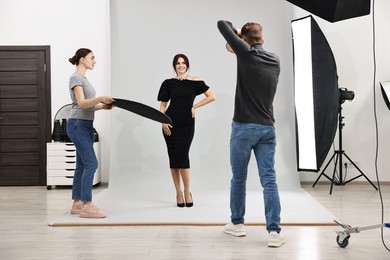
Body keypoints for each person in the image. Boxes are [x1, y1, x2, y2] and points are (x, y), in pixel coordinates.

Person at [217, 20, 285, 247]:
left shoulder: (245, 54)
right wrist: (242, 40)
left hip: (243, 127)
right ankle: (274, 232)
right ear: (262, 38)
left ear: (244, 40)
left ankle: (237, 224)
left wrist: (237, 35)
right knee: (270, 180)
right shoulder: (275, 60)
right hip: (268, 128)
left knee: (239, 179)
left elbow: (221, 24)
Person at [158, 54, 215, 208]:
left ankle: (187, 191)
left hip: (187, 124)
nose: (181, 65)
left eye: (183, 63)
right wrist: (162, 120)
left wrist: (195, 106)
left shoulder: (195, 81)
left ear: (187, 65)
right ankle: (178, 192)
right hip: (170, 123)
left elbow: (211, 96)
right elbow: (163, 105)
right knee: (174, 159)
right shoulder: (168, 83)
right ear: (174, 66)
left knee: (183, 157)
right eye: (178, 63)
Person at [67, 48, 113, 218]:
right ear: (82, 59)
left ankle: (77, 203)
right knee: (91, 163)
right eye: (92, 58)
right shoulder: (75, 78)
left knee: (82, 165)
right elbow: (81, 103)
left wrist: (103, 106)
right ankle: (87, 205)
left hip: (85, 125)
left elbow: (89, 105)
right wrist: (100, 98)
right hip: (77, 125)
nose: (94, 61)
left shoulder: (84, 79)